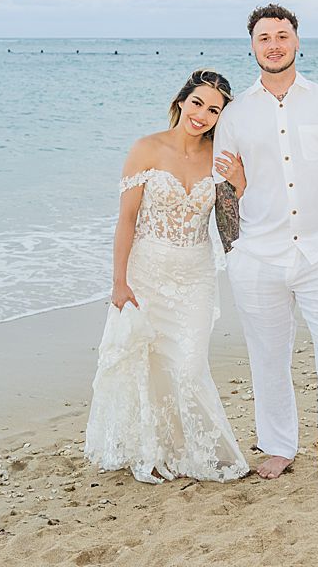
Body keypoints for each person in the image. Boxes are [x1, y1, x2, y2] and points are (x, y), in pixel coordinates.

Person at [213, 4, 318, 492]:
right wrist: (233, 251)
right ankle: (280, 446)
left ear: (297, 40)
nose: (275, 44)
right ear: (253, 46)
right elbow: (224, 186)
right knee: (267, 357)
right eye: (265, 37)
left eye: (282, 35)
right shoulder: (237, 113)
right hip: (257, 256)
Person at [84, 69, 250, 484]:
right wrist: (119, 282)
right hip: (146, 271)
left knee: (189, 365)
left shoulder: (221, 156)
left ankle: (187, 449)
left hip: (195, 272)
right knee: (148, 363)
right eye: (197, 103)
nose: (202, 114)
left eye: (214, 109)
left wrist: (240, 184)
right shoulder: (146, 148)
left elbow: (234, 217)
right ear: (181, 102)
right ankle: (152, 450)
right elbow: (126, 220)